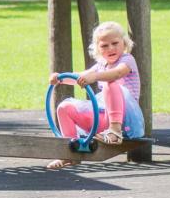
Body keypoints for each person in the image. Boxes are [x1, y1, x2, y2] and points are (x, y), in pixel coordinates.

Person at [46, 21, 144, 170]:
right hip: (104, 117)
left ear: (124, 44)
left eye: (115, 43)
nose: (110, 48)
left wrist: (96, 77)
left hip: (126, 119)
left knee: (111, 83)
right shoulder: (101, 65)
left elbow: (116, 73)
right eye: (104, 45)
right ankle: (70, 154)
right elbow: (79, 77)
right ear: (98, 49)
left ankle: (115, 131)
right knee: (64, 107)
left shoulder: (127, 60)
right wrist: (60, 78)